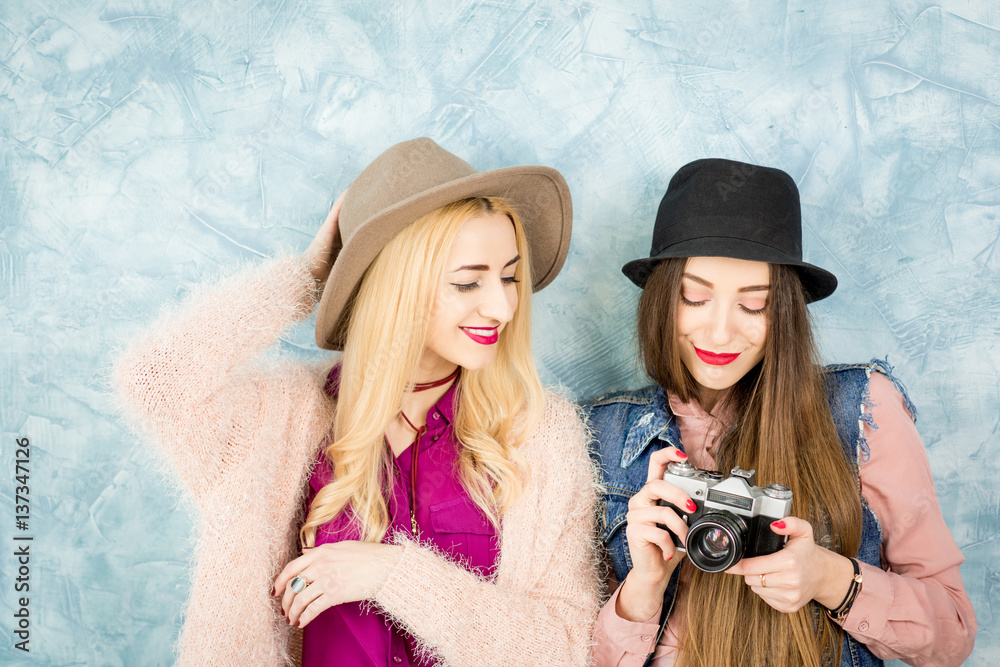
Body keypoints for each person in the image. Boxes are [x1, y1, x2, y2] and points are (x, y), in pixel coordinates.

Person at [110, 138, 600, 666]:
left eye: (509, 277)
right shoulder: (282, 416)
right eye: (467, 282)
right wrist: (307, 281)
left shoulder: (542, 432)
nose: (503, 306)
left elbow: (566, 647)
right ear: (396, 286)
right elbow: (156, 382)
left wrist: (391, 574)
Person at [587, 159, 976, 667]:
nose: (721, 333)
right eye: (695, 298)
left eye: (754, 305)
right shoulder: (603, 434)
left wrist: (828, 578)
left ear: (786, 310)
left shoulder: (862, 412)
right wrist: (643, 588)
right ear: (663, 299)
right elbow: (561, 646)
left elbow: (953, 636)